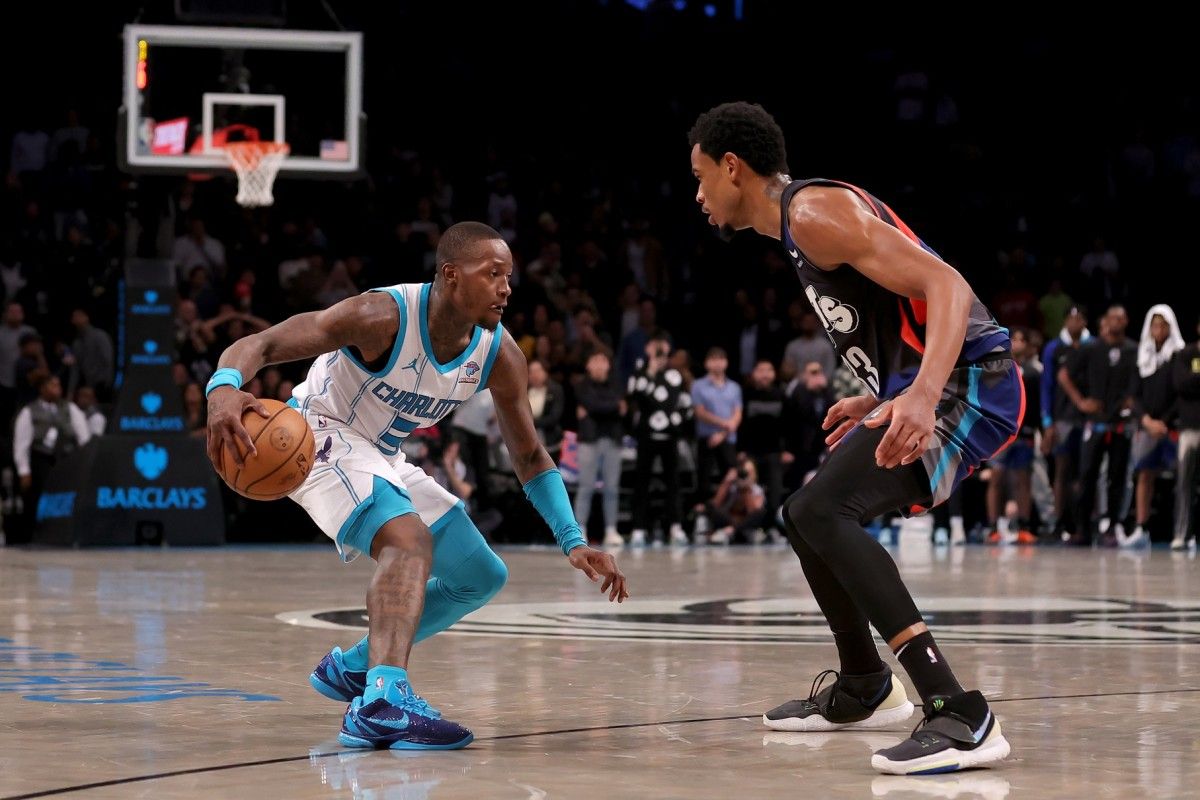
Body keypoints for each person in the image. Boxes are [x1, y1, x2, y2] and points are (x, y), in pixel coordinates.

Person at [206, 221, 628, 751]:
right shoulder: (381, 316)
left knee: (480, 576)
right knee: (409, 541)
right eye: (492, 274)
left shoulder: (499, 354)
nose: (505, 288)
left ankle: (354, 667)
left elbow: (528, 455)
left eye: (508, 277)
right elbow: (264, 343)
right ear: (451, 275)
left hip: (383, 453)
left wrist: (573, 540)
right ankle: (382, 702)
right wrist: (223, 389)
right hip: (319, 435)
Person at [689, 101, 1020, 774]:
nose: (698, 195)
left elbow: (948, 286)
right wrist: (886, 391)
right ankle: (865, 684)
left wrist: (920, 396)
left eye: (700, 177)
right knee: (802, 515)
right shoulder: (800, 226)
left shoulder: (814, 213)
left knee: (822, 510)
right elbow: (908, 310)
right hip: (938, 382)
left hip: (973, 386)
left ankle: (960, 713)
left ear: (733, 167)